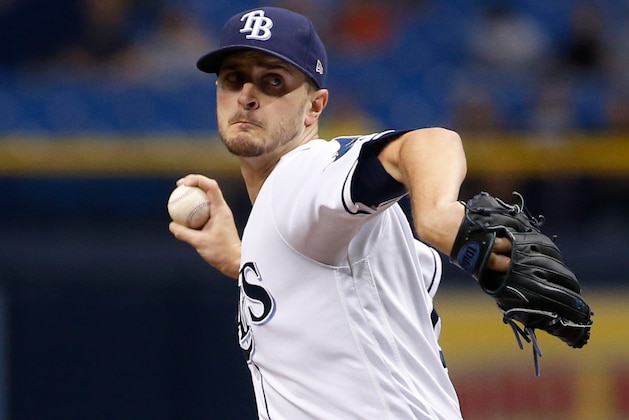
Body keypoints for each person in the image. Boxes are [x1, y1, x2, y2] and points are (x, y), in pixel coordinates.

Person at [169, 6, 510, 419]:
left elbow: (426, 143)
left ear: (315, 107)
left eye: (272, 81)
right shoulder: (298, 220)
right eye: (233, 78)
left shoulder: (301, 173)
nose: (246, 95)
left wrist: (439, 212)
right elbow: (338, 291)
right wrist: (244, 261)